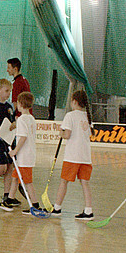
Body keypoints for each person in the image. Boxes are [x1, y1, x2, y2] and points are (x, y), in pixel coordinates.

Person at [52, 90, 95, 220]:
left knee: (63, 182)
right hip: (85, 157)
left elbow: (67, 134)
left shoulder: (70, 116)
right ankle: (88, 210)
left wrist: (60, 133)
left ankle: (57, 208)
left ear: (74, 102)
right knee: (85, 183)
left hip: (72, 157)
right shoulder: (87, 116)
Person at [9, 92, 47, 216]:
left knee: (27, 182)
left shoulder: (21, 120)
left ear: (19, 104)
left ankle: (35, 204)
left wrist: (15, 151)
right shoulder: (31, 118)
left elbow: (23, 137)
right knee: (15, 177)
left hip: (24, 156)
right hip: (28, 155)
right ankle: (9, 198)